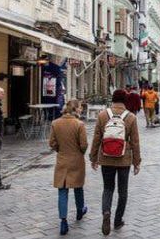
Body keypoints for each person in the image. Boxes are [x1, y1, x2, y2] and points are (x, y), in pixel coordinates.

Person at [90, 89, 141, 236]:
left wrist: (94, 157)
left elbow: (96, 138)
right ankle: (118, 220)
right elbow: (135, 142)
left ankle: (106, 212)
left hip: (106, 157)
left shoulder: (102, 115)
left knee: (108, 188)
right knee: (122, 191)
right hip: (124, 159)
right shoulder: (131, 117)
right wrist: (136, 162)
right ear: (125, 100)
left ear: (112, 99)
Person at [49, 99, 88, 235]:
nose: (81, 110)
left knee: (62, 190)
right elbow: (84, 145)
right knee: (78, 187)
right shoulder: (79, 124)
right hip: (76, 159)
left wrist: (60, 150)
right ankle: (80, 210)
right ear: (76, 109)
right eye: (80, 107)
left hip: (62, 159)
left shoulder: (55, 123)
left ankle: (63, 221)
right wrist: (79, 152)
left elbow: (52, 143)